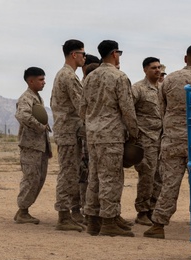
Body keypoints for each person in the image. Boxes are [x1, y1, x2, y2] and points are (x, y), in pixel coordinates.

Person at [144, 44, 191, 239]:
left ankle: (158, 225)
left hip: (173, 139)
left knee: (169, 183)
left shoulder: (170, 79)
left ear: (185, 59)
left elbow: (161, 107)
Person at [82, 40, 140, 237]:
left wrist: (90, 125)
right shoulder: (119, 77)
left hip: (93, 134)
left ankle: (93, 221)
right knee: (111, 178)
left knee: (94, 177)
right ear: (115, 53)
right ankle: (108, 222)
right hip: (112, 135)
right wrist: (134, 133)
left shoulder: (90, 77)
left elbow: (83, 107)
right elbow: (127, 109)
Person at [50, 39, 87, 232]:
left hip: (67, 130)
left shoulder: (61, 75)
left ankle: (66, 215)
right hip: (69, 131)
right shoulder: (69, 76)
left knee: (70, 172)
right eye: (82, 53)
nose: (84, 57)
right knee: (68, 173)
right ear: (74, 55)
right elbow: (81, 105)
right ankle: (63, 216)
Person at [14, 67, 51, 225]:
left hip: (40, 146)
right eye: (40, 79)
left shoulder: (37, 97)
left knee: (39, 178)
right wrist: (40, 126)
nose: (44, 82)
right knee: (31, 178)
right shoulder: (26, 98)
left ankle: (24, 210)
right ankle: (22, 211)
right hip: (30, 145)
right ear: (31, 81)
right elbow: (22, 115)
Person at [132, 56, 164, 225]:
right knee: (147, 176)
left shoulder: (163, 88)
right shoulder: (138, 89)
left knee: (159, 176)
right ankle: (142, 211)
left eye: (159, 67)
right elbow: (129, 111)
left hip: (162, 139)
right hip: (145, 139)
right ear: (145, 70)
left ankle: (153, 208)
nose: (157, 70)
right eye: (153, 68)